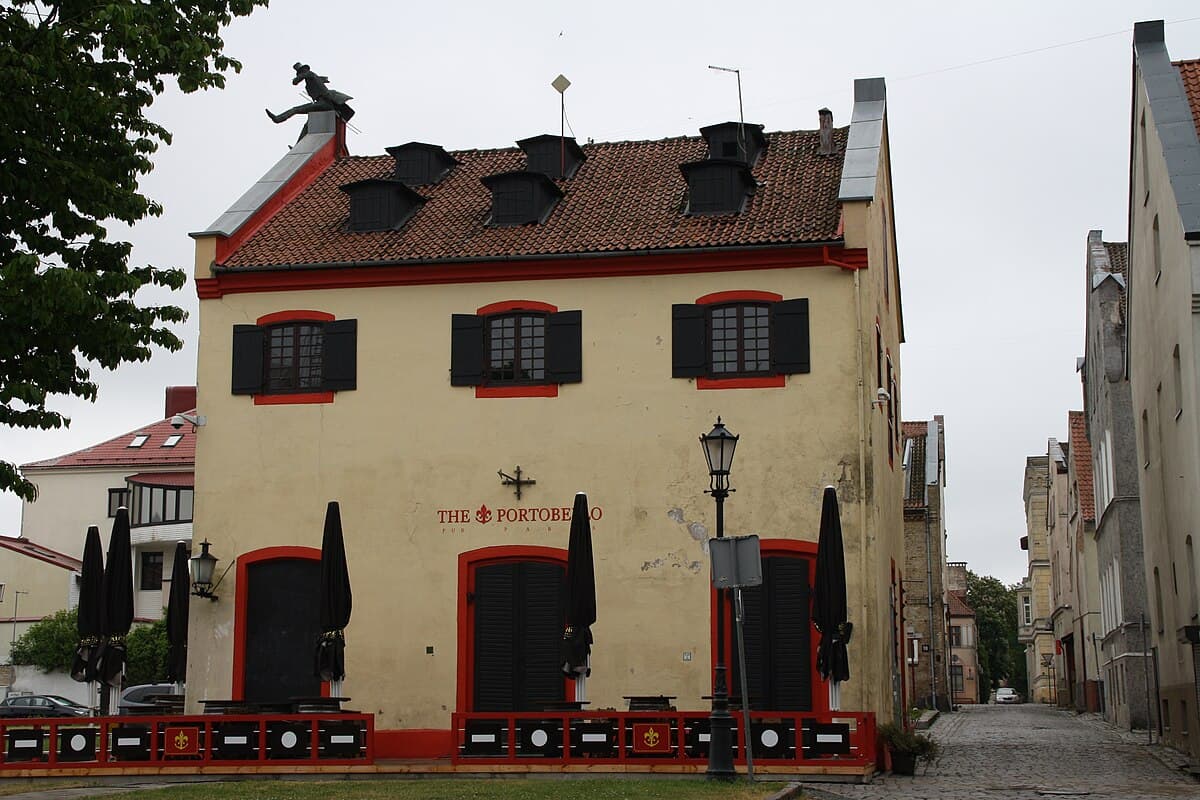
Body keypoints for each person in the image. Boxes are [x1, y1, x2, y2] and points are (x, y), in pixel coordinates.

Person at [266, 63, 355, 124]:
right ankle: (299, 145)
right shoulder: (311, 80)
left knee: (295, 109)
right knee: (309, 124)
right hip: (323, 104)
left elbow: (296, 81)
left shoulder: (310, 74)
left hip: (324, 102)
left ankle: (278, 119)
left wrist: (296, 80)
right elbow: (321, 80)